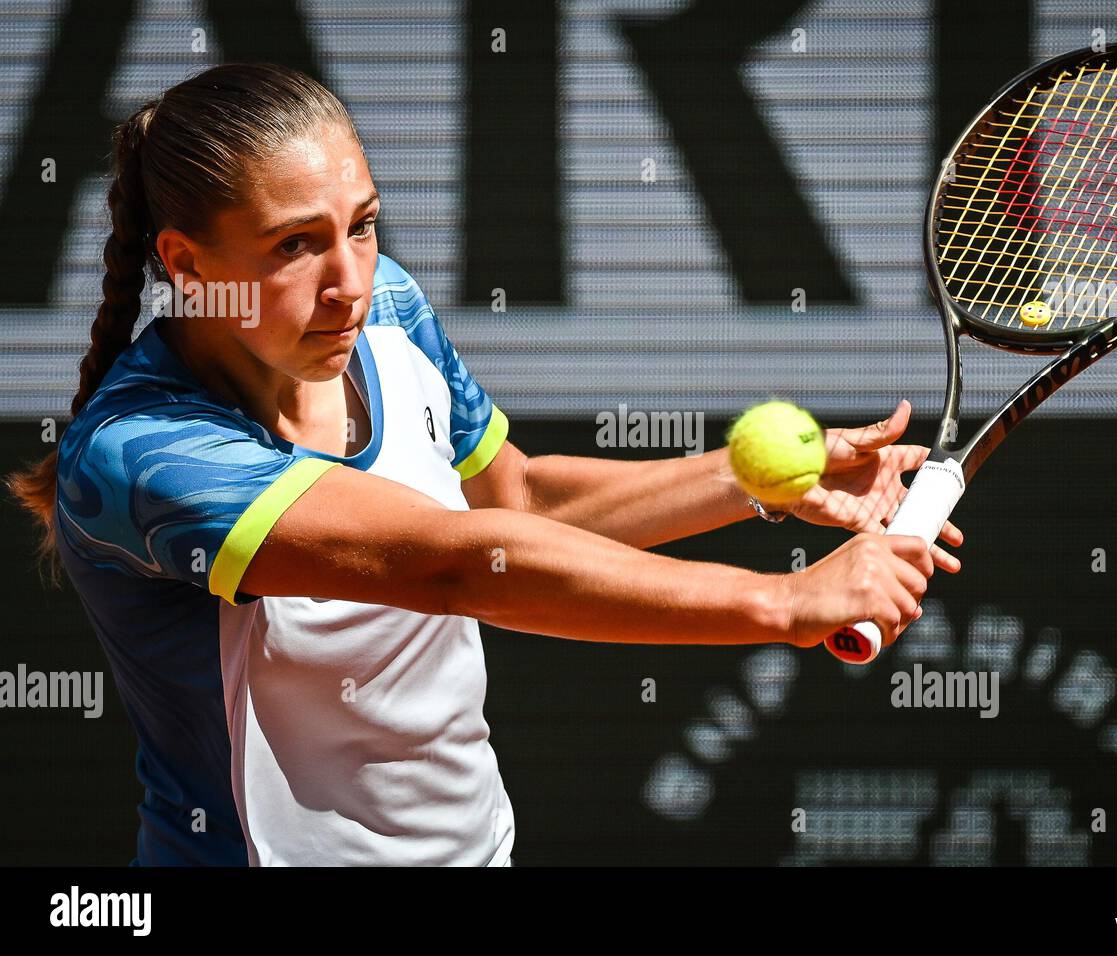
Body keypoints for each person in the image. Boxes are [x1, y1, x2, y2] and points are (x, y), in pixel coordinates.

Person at [7, 63, 962, 866]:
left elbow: (519, 499)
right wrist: (785, 605)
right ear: (187, 262)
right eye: (296, 245)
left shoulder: (387, 309)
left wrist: (755, 487)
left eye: (363, 225)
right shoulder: (143, 454)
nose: (349, 281)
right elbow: (454, 562)